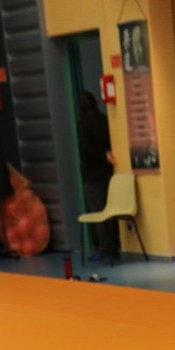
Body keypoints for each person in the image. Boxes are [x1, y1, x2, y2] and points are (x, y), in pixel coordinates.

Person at [77, 90, 120, 262]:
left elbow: (86, 148)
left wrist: (100, 156)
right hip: (107, 172)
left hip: (92, 174)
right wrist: (106, 156)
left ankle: (103, 248)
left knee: (98, 211)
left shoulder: (82, 124)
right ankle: (114, 245)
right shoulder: (104, 120)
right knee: (111, 211)